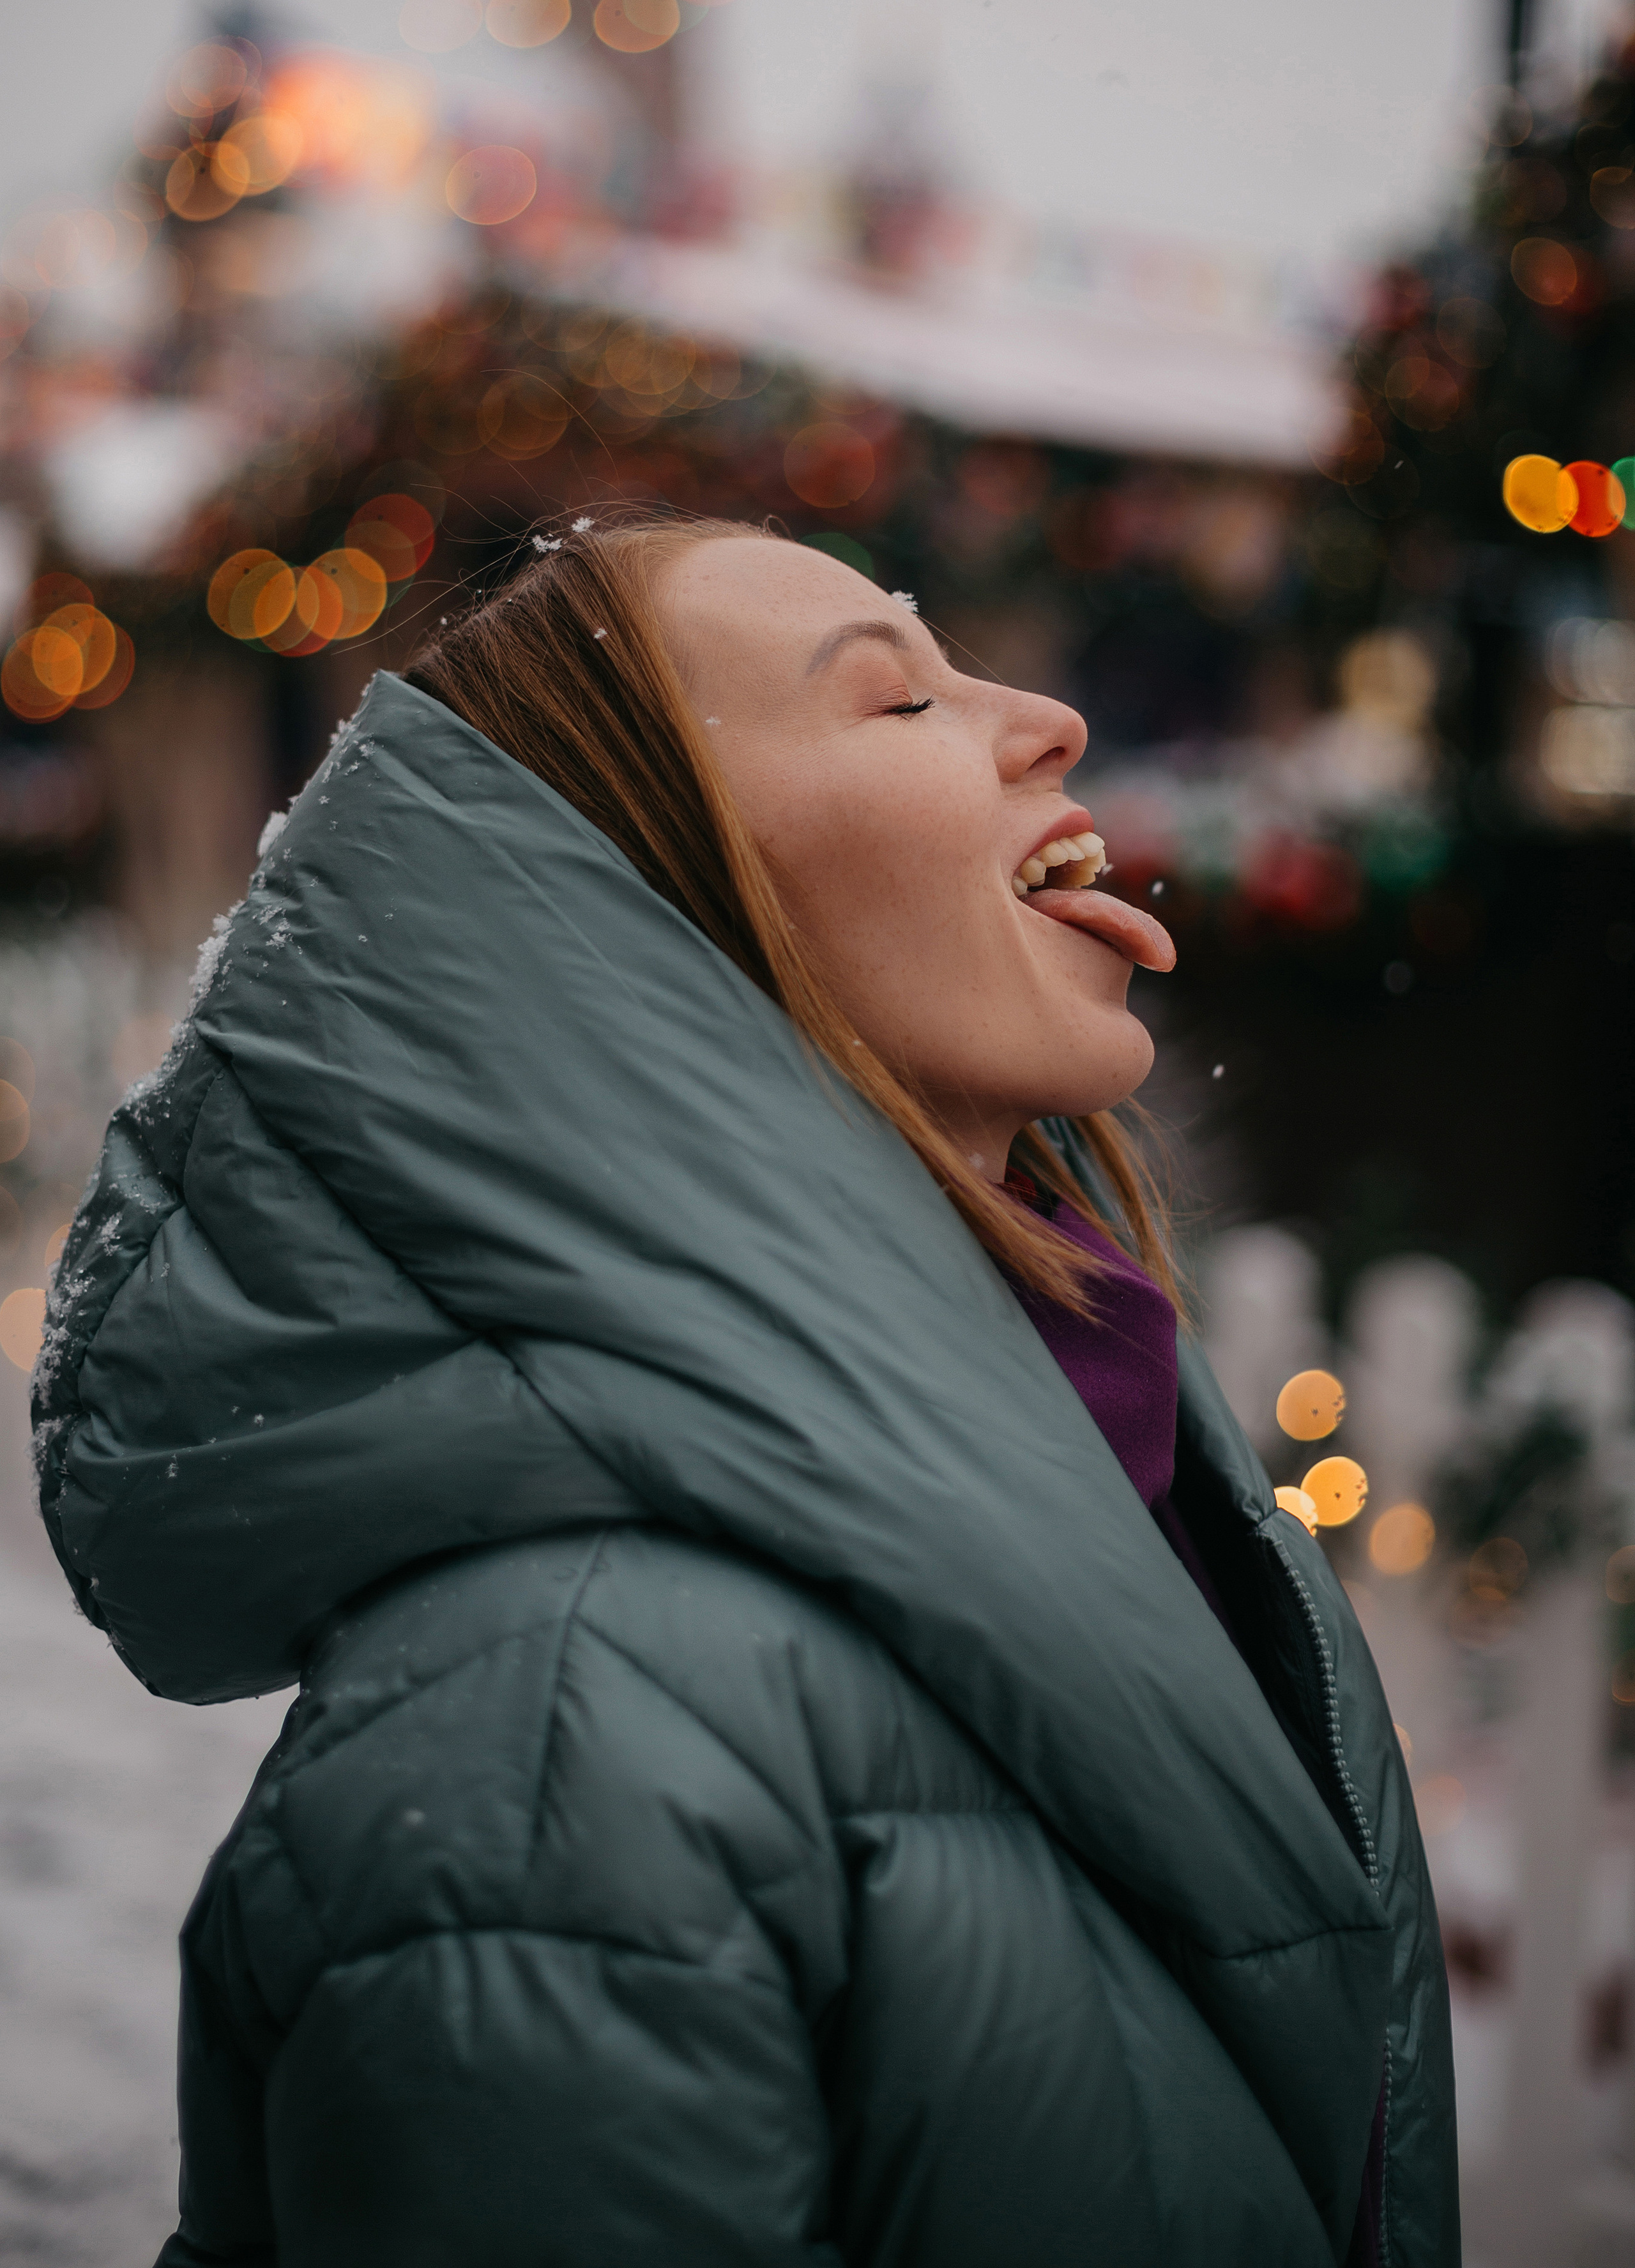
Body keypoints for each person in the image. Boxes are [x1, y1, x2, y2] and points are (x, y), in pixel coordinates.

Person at [35, 512, 1457, 2268]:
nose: (1047, 720)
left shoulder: (1138, 1494)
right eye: (896, 704)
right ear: (649, 929)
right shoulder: (565, 1745)